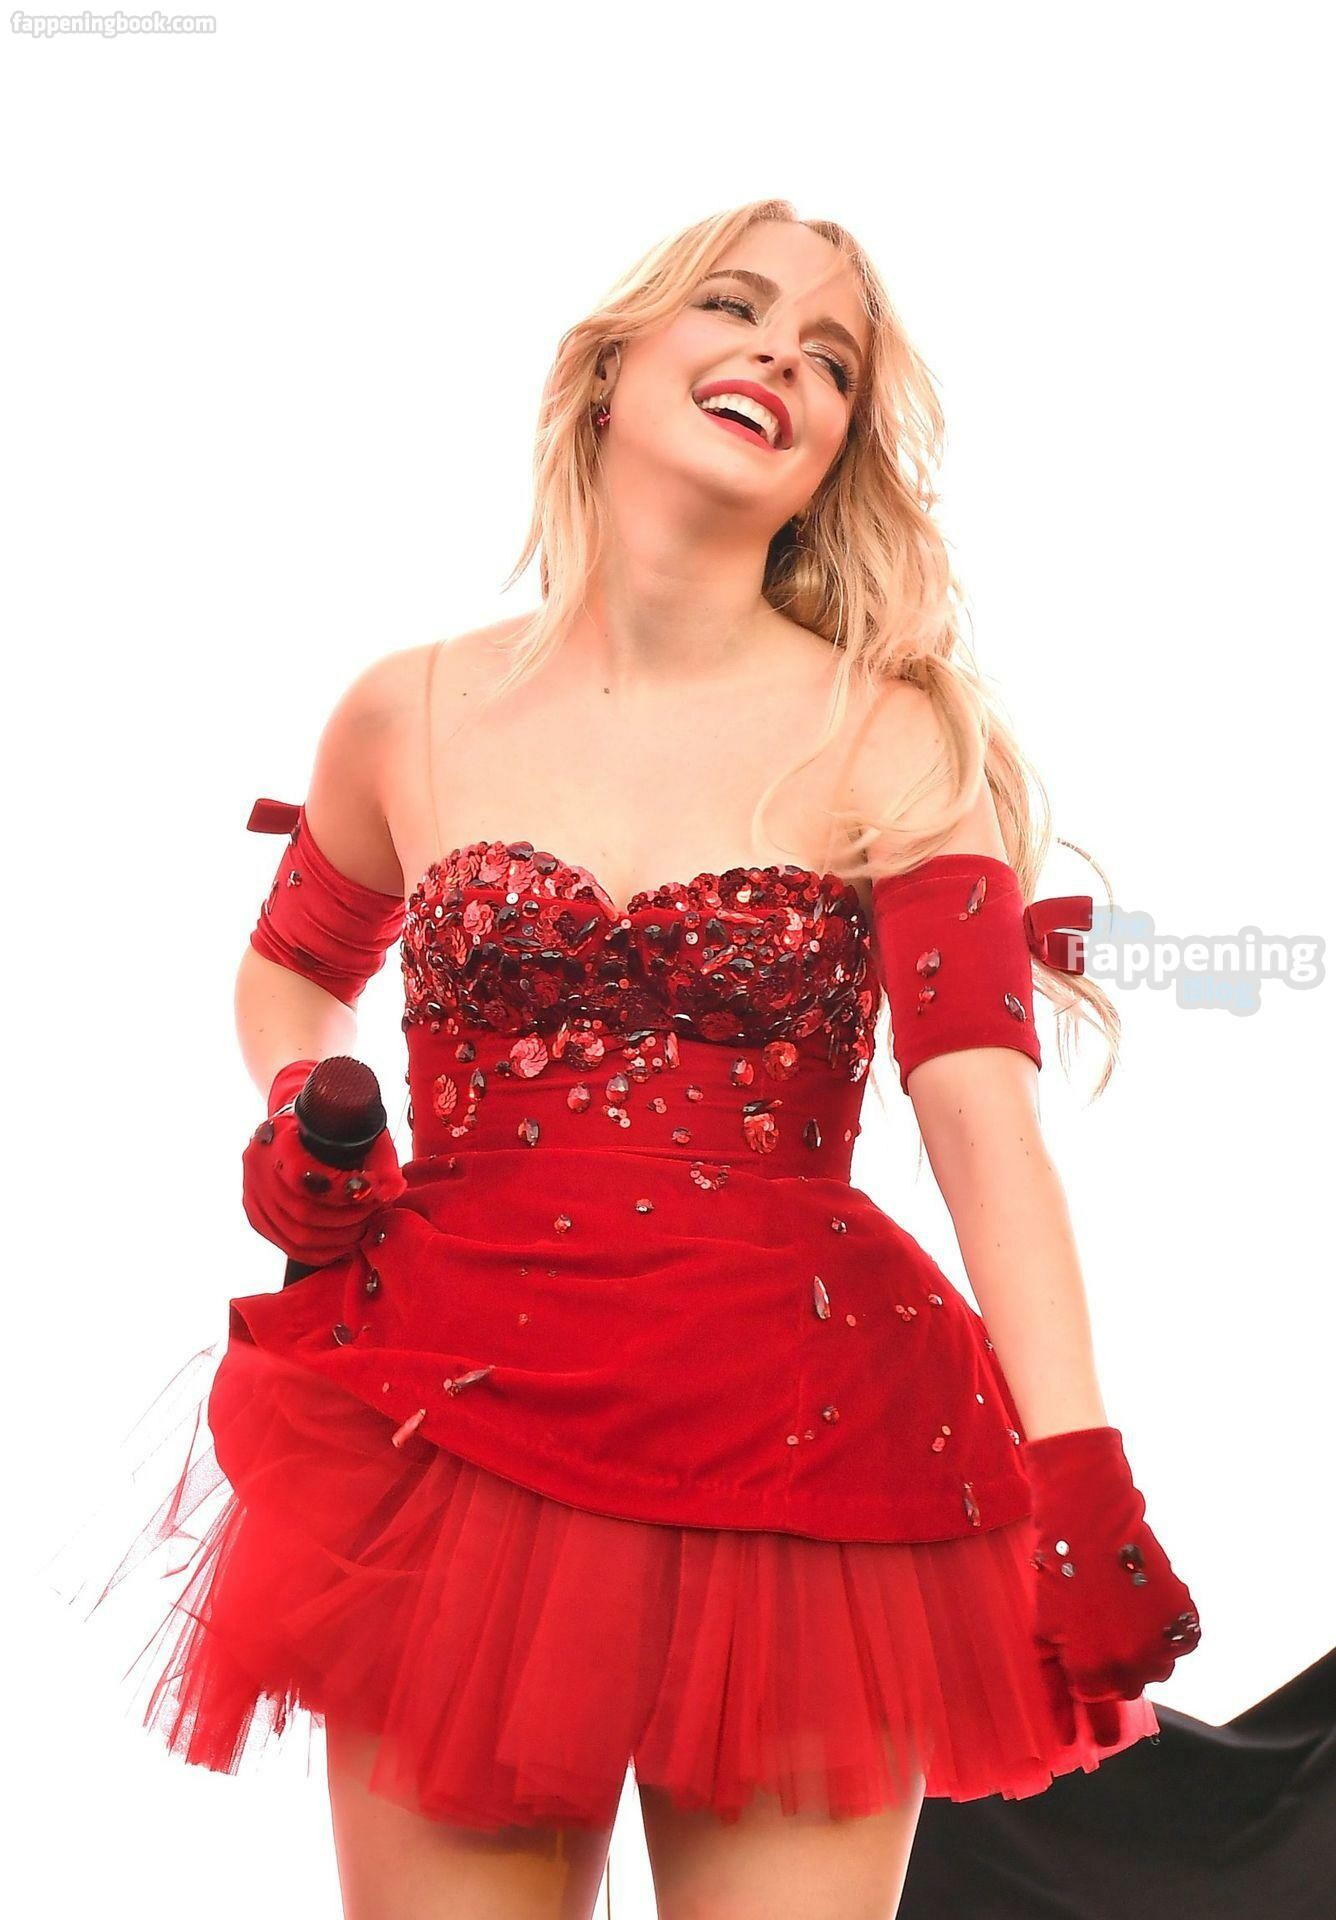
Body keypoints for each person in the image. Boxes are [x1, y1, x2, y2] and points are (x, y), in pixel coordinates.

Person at [74, 199, 1201, 1920]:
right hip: (452, 1429)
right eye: (735, 308)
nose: (780, 357)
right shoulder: (407, 709)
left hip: (811, 1459)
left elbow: (984, 1122)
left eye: (831, 360)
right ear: (611, 367)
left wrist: (1082, 1465)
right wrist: (306, 1113)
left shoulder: (898, 741)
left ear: (832, 457)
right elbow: (292, 968)